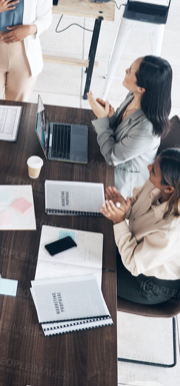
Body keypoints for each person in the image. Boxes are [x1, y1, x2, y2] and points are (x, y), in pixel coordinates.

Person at [101, 148, 180, 305]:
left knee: (94, 277)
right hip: (134, 251)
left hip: (149, 282)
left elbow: (134, 263)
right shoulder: (156, 184)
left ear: (169, 188)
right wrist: (124, 207)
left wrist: (119, 221)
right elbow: (136, 206)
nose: (148, 167)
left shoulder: (170, 231)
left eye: (153, 171)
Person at [88, 55, 172, 197]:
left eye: (130, 71)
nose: (126, 70)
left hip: (121, 182)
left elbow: (112, 157)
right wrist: (109, 115)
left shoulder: (146, 130)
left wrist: (102, 118)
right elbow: (120, 130)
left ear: (141, 88)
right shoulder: (134, 96)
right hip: (109, 156)